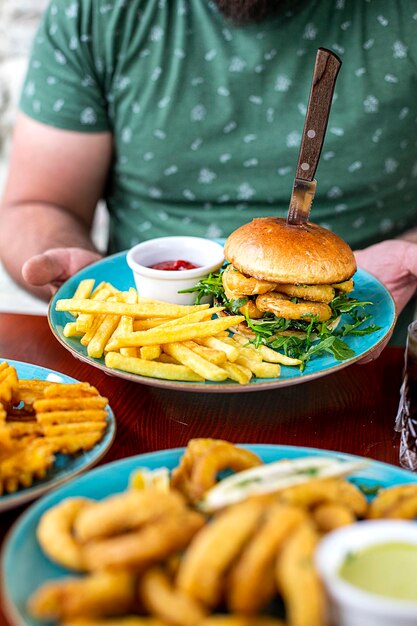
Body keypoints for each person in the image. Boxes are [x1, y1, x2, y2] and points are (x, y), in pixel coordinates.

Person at [0, 0, 416, 345]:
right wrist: (85, 279)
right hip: (146, 341)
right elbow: (38, 202)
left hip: (380, 340)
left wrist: (405, 258)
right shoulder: (96, 12)